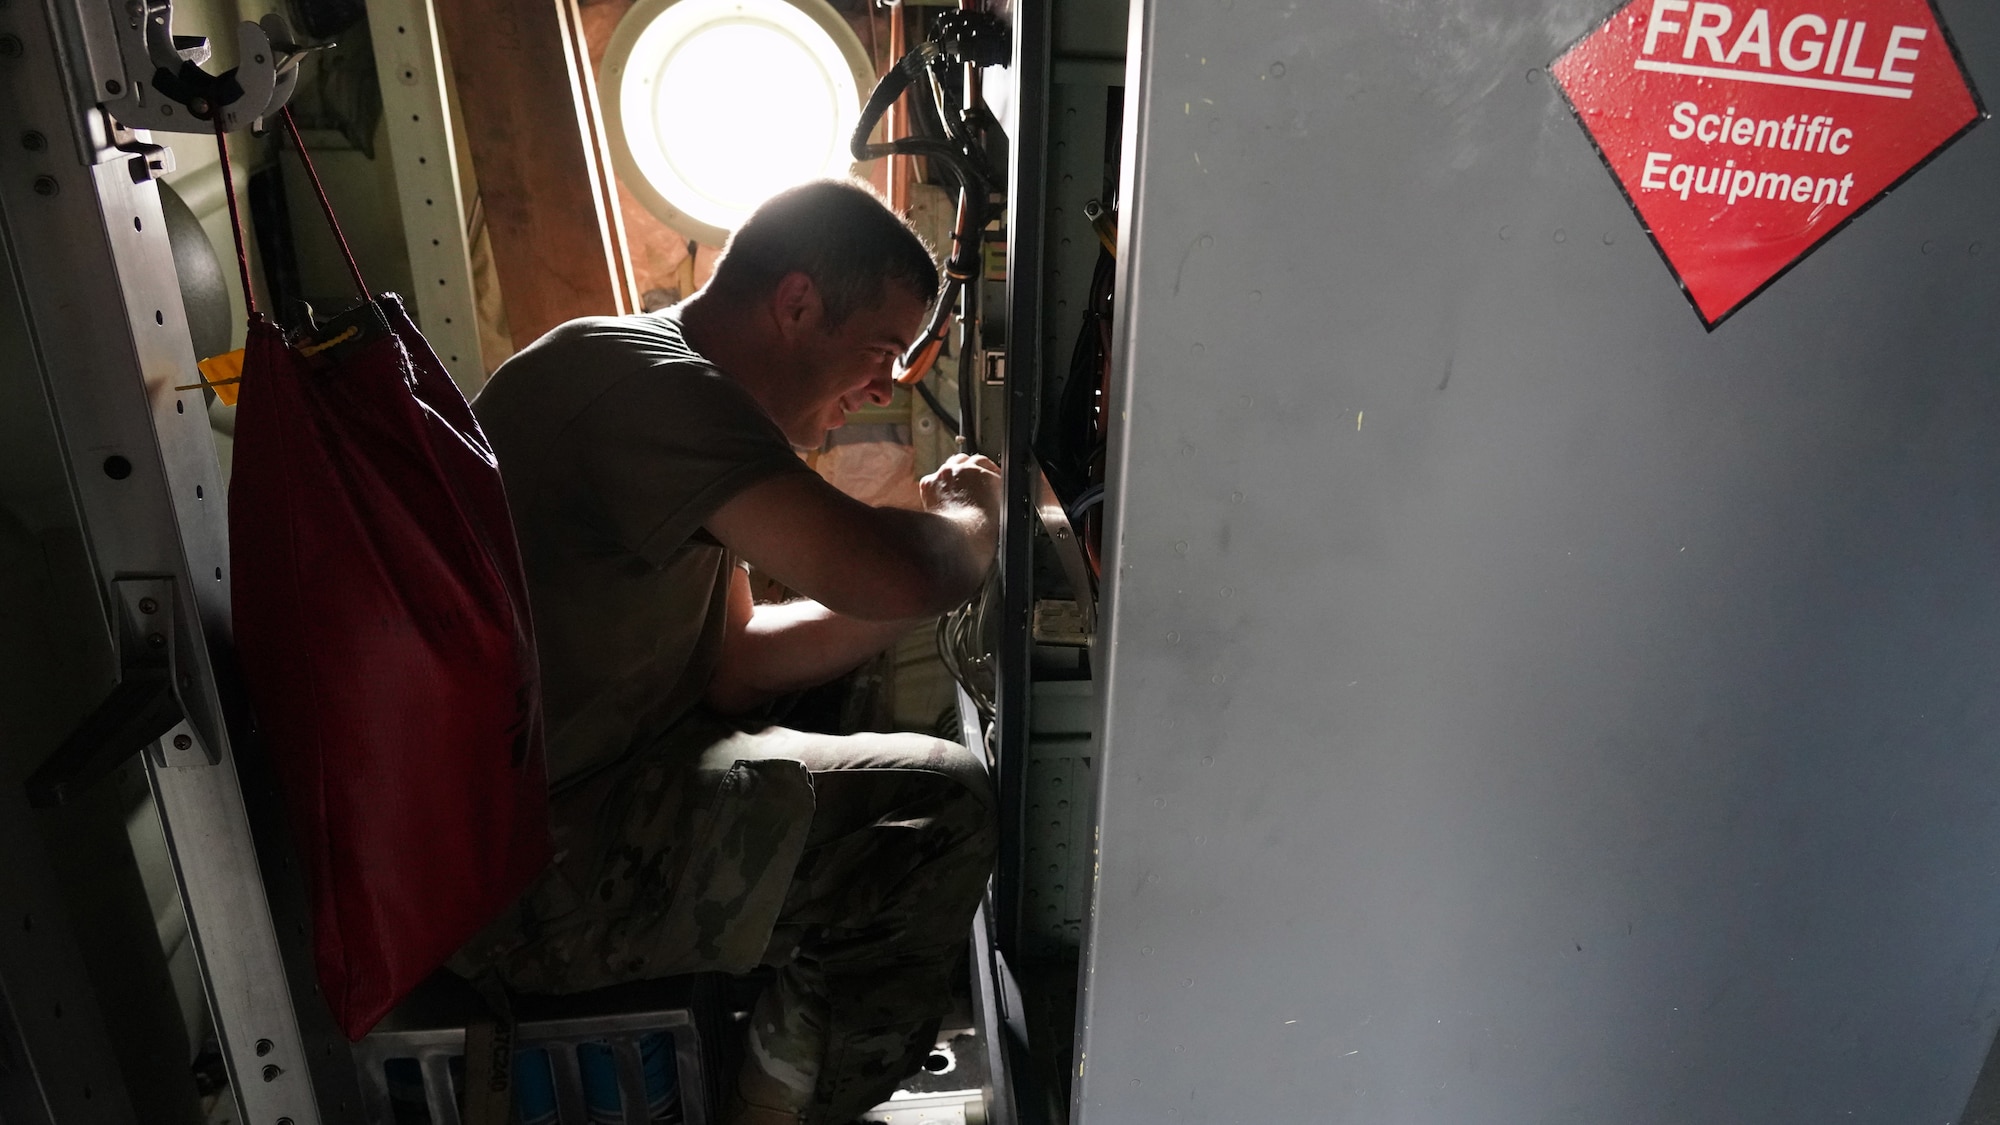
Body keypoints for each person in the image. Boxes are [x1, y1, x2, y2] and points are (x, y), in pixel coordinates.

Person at [453, 179, 1002, 1125]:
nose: (881, 386)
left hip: (570, 809)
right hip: (530, 874)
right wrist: (974, 521)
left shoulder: (659, 388)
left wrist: (927, 580)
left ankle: (776, 1084)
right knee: (937, 811)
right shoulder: (646, 385)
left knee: (857, 751)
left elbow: (736, 656)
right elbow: (888, 569)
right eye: (880, 351)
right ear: (795, 304)